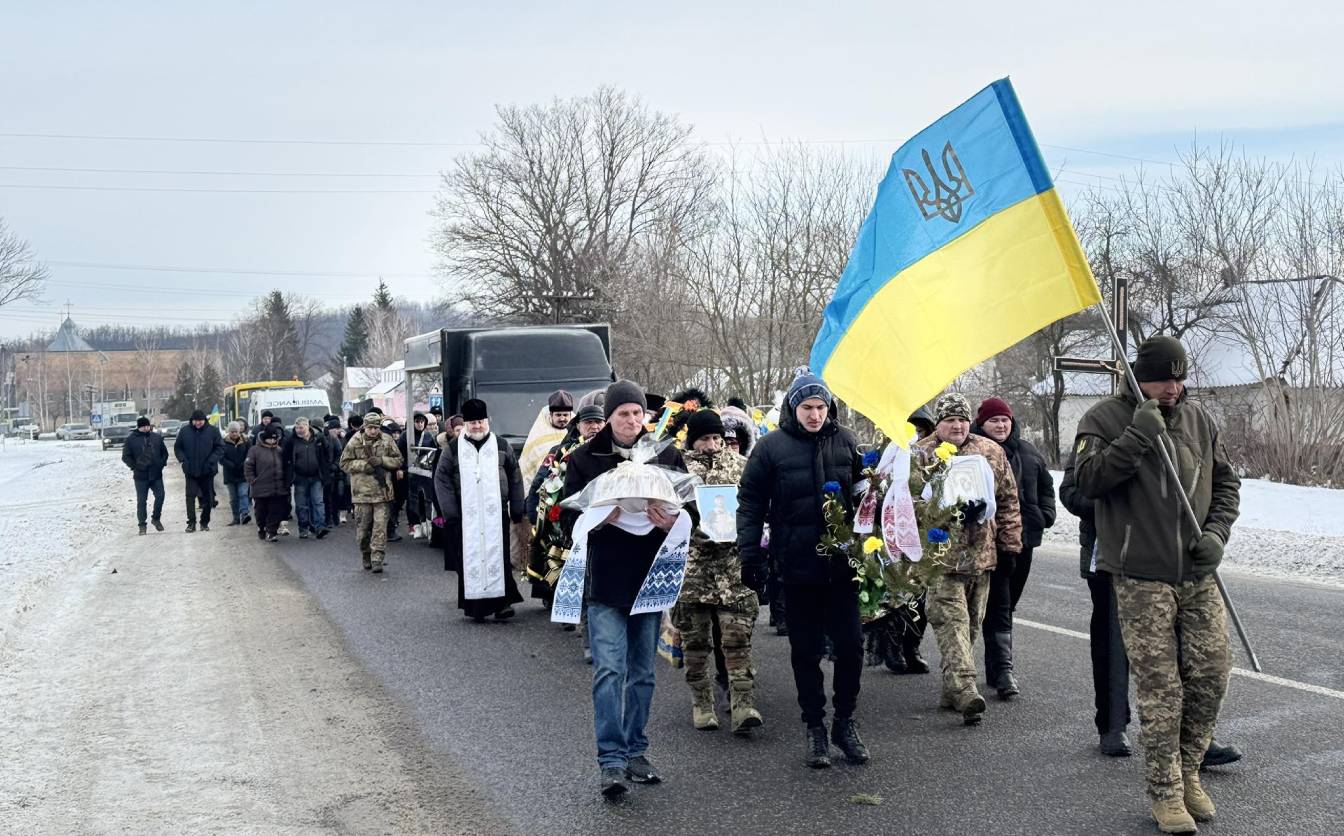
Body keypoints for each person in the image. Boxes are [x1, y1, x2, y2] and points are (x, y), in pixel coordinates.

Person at [1074, 335, 1241, 834]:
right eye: (1164, 378)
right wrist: (1136, 438)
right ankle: (1165, 790)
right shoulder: (1102, 419)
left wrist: (1216, 533)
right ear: (1139, 375)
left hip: (1195, 570)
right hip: (1140, 574)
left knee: (1212, 674)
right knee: (1160, 687)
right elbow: (1087, 482)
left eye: (1180, 377)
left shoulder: (1200, 420)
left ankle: (1189, 771)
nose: (1174, 387)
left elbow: (1227, 483)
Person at [560, 380, 689, 799]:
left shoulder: (667, 455)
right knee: (609, 670)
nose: (633, 421)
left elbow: (693, 513)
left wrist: (673, 523)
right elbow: (564, 518)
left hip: (650, 580)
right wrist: (599, 517)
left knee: (643, 673)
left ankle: (636, 750)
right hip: (607, 580)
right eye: (623, 415)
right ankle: (611, 761)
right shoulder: (584, 459)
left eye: (638, 414)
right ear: (609, 417)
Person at [737, 370, 867, 769]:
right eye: (807, 407)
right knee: (805, 651)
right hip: (796, 565)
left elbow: (865, 496)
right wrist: (750, 555)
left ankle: (844, 723)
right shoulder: (771, 448)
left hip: (843, 566)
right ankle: (815, 727)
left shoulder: (845, 441)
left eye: (821, 407)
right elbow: (751, 503)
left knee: (850, 647)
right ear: (794, 408)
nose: (815, 414)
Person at [913, 393, 1022, 726]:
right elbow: (909, 503)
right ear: (939, 424)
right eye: (949, 421)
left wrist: (1010, 546)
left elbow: (1008, 501)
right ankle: (965, 691)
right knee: (952, 625)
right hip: (941, 560)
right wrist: (943, 510)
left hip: (981, 557)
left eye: (961, 420)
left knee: (971, 627)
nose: (957, 426)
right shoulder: (921, 454)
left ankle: (952, 687)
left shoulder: (989, 451)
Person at [673, 409, 762, 735]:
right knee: (695, 645)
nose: (711, 445)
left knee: (737, 640)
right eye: (704, 439)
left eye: (716, 438)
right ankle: (702, 703)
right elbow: (668, 513)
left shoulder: (740, 466)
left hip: (732, 569)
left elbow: (755, 504)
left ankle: (743, 705)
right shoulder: (677, 470)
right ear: (692, 440)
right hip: (693, 570)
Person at [972, 397, 1056, 700]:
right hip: (988, 542)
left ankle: (996, 668)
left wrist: (1044, 516)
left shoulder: (1028, 453)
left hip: (1025, 539)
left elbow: (1047, 488)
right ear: (982, 424)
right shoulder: (972, 452)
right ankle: (1004, 671)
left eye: (1005, 419)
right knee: (1001, 602)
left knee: (1009, 602)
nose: (1001, 425)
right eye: (994, 420)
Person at [434, 399, 526, 622]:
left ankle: (502, 604)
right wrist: (451, 513)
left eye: (480, 421)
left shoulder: (502, 445)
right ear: (465, 424)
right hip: (466, 517)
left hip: (496, 515)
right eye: (472, 422)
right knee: (471, 559)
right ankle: (477, 608)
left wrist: (517, 507)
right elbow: (441, 478)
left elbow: (515, 476)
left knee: (499, 558)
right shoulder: (453, 448)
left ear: (488, 421)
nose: (477, 426)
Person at [524, 402, 606, 609]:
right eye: (589, 423)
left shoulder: (612, 452)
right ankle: (564, 606)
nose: (594, 427)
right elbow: (541, 483)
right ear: (578, 426)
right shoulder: (560, 451)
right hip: (566, 518)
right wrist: (536, 516)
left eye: (598, 422)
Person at [339, 412, 404, 573]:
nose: (373, 431)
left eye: (376, 428)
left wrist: (383, 461)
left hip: (382, 493)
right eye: (370, 428)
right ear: (364, 427)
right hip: (361, 495)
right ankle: (366, 555)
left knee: (379, 529)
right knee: (363, 532)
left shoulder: (387, 440)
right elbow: (344, 463)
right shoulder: (355, 441)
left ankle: (377, 559)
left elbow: (399, 460)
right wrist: (363, 465)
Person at [173, 409, 224, 533]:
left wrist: (211, 460)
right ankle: (191, 523)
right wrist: (183, 460)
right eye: (196, 421)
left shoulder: (212, 431)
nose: (198, 423)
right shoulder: (185, 431)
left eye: (200, 421)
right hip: (190, 470)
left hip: (207, 470)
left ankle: (204, 522)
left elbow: (220, 447)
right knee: (190, 497)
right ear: (192, 421)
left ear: (204, 420)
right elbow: (178, 447)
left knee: (208, 499)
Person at [283, 417, 330, 539]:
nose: (299, 430)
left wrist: (327, 468)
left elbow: (327, 452)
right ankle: (303, 528)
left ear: (308, 426)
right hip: (300, 478)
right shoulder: (292, 441)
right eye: (297, 428)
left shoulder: (318, 438)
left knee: (318, 502)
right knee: (301, 505)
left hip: (316, 477)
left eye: (301, 427)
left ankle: (320, 527)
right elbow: (286, 458)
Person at [122, 416, 168, 534]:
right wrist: (135, 466)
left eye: (148, 426)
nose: (146, 428)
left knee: (161, 496)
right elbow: (125, 456)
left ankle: (156, 518)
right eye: (144, 426)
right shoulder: (131, 440)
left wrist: (161, 464)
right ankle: (142, 525)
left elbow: (164, 453)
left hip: (156, 474)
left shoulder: (156, 438)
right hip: (140, 476)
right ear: (139, 427)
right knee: (142, 501)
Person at [246, 424, 291, 541]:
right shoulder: (254, 450)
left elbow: (286, 466)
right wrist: (252, 480)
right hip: (260, 488)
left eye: (274, 439)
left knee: (275, 511)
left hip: (277, 488)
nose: (272, 441)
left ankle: (272, 532)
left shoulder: (279, 450)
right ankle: (261, 527)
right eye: (270, 438)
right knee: (261, 512)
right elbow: (248, 466)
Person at [219, 421, 252, 526]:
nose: (234, 434)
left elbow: (250, 454)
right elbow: (220, 457)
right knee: (233, 498)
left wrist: (244, 463)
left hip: (243, 473)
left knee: (243, 494)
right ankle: (236, 517)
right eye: (232, 431)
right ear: (228, 431)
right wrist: (230, 464)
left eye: (236, 431)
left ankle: (244, 514)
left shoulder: (246, 441)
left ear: (239, 431)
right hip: (230, 474)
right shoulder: (223, 442)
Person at [383, 418, 407, 543]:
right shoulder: (388, 444)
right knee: (388, 505)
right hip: (384, 480)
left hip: (388, 479)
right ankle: (389, 532)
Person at [322, 416, 346, 529]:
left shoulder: (338, 439)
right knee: (328, 496)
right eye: (335, 429)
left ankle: (334, 516)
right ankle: (329, 518)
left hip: (337, 473)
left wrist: (335, 466)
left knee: (337, 495)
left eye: (338, 428)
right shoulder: (325, 438)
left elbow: (339, 454)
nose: (337, 431)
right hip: (327, 473)